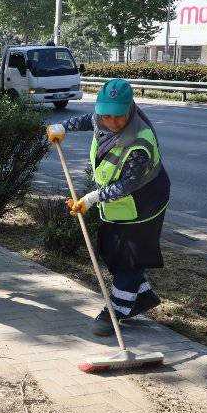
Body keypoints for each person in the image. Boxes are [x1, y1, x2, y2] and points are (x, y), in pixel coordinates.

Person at [46, 78, 171, 336]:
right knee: (110, 251)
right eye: (106, 115)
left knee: (129, 259)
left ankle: (114, 313)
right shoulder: (102, 117)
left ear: (130, 108)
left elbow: (126, 186)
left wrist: (90, 200)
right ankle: (141, 297)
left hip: (143, 204)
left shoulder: (139, 141)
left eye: (118, 117)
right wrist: (62, 127)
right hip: (118, 205)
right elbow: (86, 121)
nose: (111, 122)